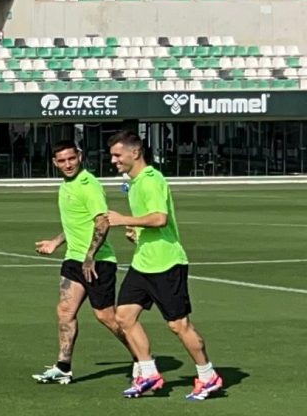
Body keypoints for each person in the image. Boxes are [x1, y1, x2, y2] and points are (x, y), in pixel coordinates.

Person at [100, 131, 225, 401]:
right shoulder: (134, 183)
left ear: (135, 153)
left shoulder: (151, 180)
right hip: (143, 262)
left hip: (166, 263)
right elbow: (149, 222)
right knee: (124, 317)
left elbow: (159, 219)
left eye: (117, 155)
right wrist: (135, 230)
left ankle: (208, 376)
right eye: (112, 155)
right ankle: (148, 374)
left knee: (179, 326)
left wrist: (124, 220)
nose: (113, 160)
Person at [31, 140, 135, 385]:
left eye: (71, 158)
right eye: (62, 161)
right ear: (55, 163)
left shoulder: (88, 185)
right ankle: (63, 366)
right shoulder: (67, 185)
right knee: (65, 311)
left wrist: (90, 257)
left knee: (106, 317)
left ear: (80, 156)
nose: (68, 164)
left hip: (98, 261)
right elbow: (78, 223)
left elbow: (101, 222)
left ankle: (143, 359)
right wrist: (56, 242)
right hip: (74, 259)